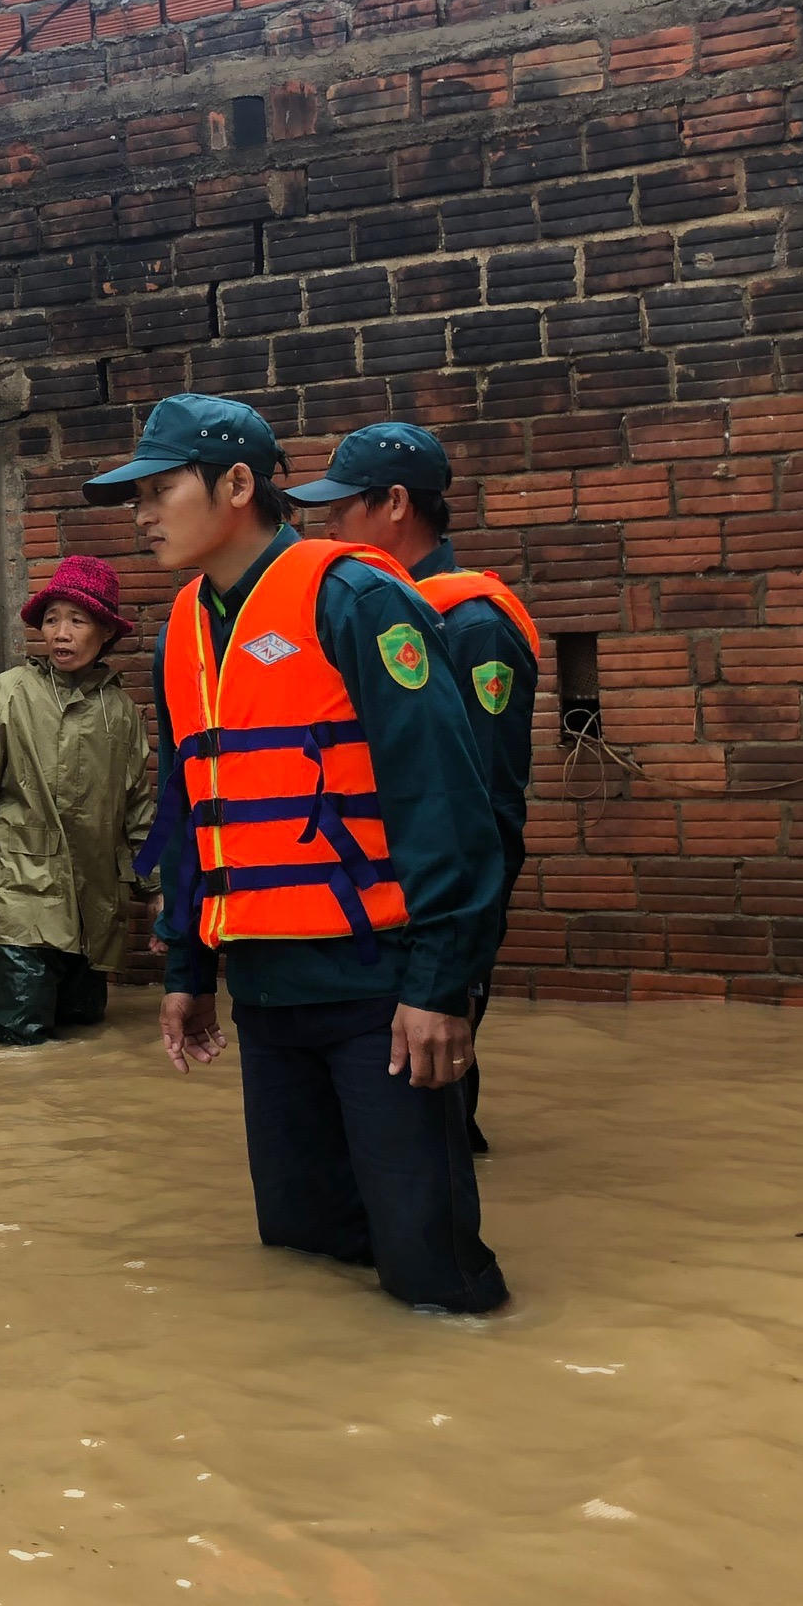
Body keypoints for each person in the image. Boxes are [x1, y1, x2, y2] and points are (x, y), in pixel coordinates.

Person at [85, 395, 509, 1314]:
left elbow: (442, 800)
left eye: (159, 491)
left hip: (377, 990)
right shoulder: (185, 629)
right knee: (304, 1247)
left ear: (238, 484)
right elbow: (191, 808)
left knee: (431, 1276)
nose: (142, 516)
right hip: (267, 996)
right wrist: (188, 969)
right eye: (136, 499)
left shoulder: (356, 598)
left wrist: (440, 987)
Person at [284, 422, 539, 1154]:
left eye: (342, 507)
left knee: (431, 1124)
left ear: (395, 503)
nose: (328, 527)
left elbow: (485, 800)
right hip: (375, 911)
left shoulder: (474, 625)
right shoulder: (365, 609)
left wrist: (458, 953)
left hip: (433, 911)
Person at [0, 555, 157, 1046]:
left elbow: (138, 810)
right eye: (52, 619)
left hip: (93, 905)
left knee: (83, 1032)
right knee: (20, 1040)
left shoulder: (121, 712)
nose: (61, 633)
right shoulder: (10, 693)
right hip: (18, 896)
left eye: (77, 621)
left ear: (106, 631)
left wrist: (155, 890)